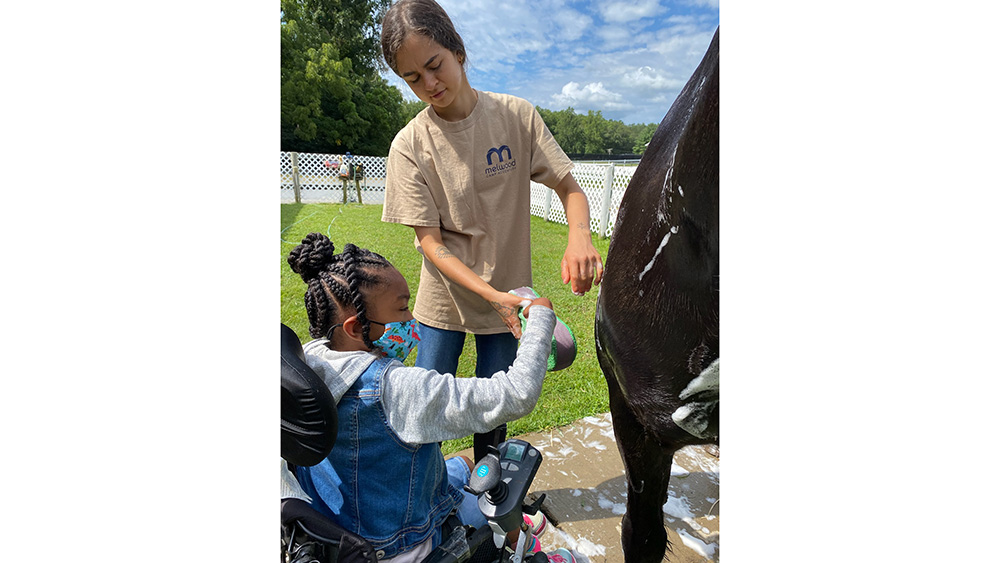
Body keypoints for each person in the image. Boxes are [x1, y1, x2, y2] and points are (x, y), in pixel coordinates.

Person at [379, 0, 604, 463]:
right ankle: (427, 512)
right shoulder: (409, 145)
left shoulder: (515, 117)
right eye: (413, 79)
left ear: (457, 50)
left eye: (434, 65)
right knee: (424, 415)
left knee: (494, 414)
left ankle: (489, 510)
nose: (430, 85)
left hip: (508, 301)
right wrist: (493, 295)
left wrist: (579, 235)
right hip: (443, 302)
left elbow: (570, 188)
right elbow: (430, 243)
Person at [285, 232, 560, 563]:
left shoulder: (306, 365)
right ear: (356, 328)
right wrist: (542, 319)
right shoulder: (397, 389)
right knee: (501, 489)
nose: (410, 321)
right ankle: (523, 548)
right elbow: (517, 393)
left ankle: (517, 532)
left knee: (463, 465)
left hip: (340, 534)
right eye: (402, 309)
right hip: (403, 545)